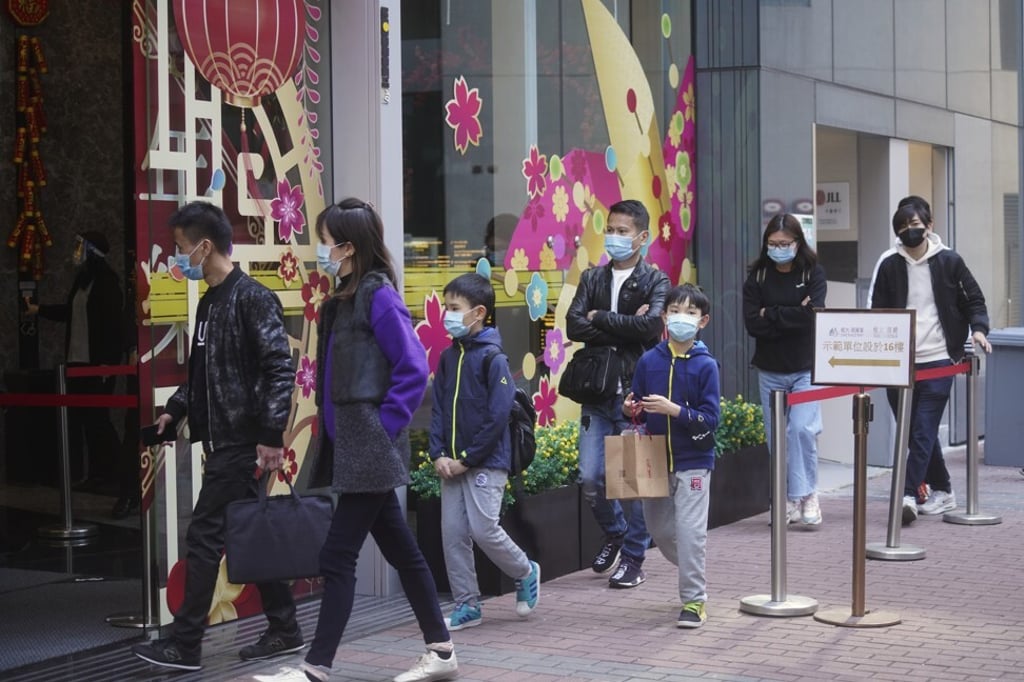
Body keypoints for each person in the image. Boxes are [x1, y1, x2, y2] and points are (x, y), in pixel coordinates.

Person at [131, 202, 302, 671]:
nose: (177, 257)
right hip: (226, 439)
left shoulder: (252, 297)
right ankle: (285, 628)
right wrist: (175, 410)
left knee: (206, 535)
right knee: (248, 537)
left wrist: (270, 436)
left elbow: (278, 370)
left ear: (205, 246)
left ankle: (184, 645)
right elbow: (205, 372)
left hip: (244, 442)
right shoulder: (210, 300)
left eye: (182, 248)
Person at [300, 199, 457, 682]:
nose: (320, 250)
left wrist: (381, 427)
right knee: (402, 550)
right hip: (354, 443)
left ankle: (316, 667)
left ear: (347, 247)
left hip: (366, 443)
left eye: (326, 242)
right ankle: (443, 653)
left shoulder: (376, 294)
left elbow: (413, 368)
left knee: (337, 555)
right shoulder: (345, 296)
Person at [565, 199, 669, 588]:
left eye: (622, 231)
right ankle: (616, 531)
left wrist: (601, 318)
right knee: (591, 477)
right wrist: (623, 322)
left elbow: (649, 328)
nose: (614, 237)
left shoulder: (656, 281)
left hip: (633, 393)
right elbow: (574, 325)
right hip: (595, 391)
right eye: (610, 229)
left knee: (635, 485)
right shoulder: (592, 278)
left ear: (642, 237)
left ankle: (634, 559)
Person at [429, 272, 540, 632]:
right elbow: (439, 409)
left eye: (454, 308)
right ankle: (467, 605)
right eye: (445, 306)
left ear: (478, 313)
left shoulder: (493, 358)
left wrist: (468, 459)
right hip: (452, 463)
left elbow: (496, 417)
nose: (447, 314)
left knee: (483, 529)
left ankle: (525, 570)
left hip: (485, 463)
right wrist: (438, 454)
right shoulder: (448, 358)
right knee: (452, 534)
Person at [871, 198, 991, 524]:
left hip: (939, 358)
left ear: (930, 225)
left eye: (915, 225)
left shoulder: (949, 261)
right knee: (913, 432)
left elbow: (974, 300)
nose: (910, 232)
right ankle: (944, 490)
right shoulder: (889, 264)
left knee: (923, 429)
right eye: (903, 227)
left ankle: (907, 495)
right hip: (900, 362)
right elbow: (876, 311)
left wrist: (979, 330)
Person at [624, 283, 719, 628]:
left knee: (691, 532)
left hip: (694, 461)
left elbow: (711, 421)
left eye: (690, 313)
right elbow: (635, 402)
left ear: (703, 321)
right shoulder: (649, 360)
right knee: (660, 531)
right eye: (676, 311)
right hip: (653, 460)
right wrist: (630, 406)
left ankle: (694, 600)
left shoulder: (706, 365)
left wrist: (674, 410)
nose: (682, 318)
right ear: (664, 316)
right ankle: (696, 567)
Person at [742, 213, 827, 526]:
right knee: (776, 438)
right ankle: (790, 497)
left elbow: (813, 316)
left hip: (806, 366)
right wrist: (792, 314)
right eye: (773, 244)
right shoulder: (758, 278)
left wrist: (772, 314)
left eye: (785, 244)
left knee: (802, 431)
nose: (778, 248)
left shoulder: (813, 273)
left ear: (797, 243)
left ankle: (807, 495)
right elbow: (753, 325)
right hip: (770, 369)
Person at [27, 231, 123, 486]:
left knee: (98, 419)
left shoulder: (107, 282)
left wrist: (107, 363)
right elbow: (71, 313)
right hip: (77, 360)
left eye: (81, 246)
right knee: (84, 419)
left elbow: (113, 325)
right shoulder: (82, 281)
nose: (76, 251)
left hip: (97, 363)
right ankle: (96, 474)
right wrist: (40, 310)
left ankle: (117, 473)